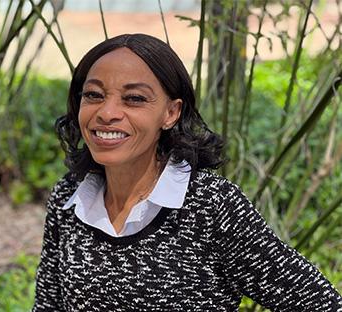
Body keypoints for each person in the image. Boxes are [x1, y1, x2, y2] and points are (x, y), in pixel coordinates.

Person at [32, 33, 342, 311]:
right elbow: (48, 304)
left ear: (171, 112)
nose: (107, 113)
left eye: (135, 99)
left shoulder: (211, 205)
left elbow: (319, 302)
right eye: (94, 95)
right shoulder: (70, 196)